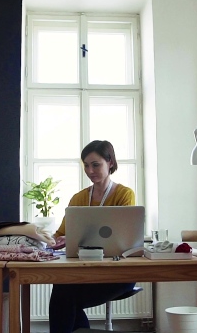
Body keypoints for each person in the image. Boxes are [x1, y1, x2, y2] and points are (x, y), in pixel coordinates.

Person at [49, 140, 136, 333]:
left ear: (110, 163)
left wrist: (75, 239)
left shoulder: (124, 194)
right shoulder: (78, 198)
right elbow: (60, 234)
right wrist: (57, 240)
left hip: (119, 272)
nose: (90, 171)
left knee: (64, 296)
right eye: (86, 166)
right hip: (85, 271)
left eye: (95, 165)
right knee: (64, 292)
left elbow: (125, 238)